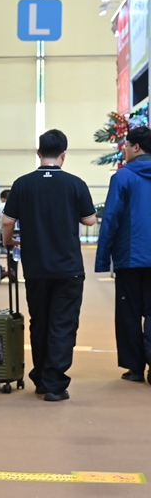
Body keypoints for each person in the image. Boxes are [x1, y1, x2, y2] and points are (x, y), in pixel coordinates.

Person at [2, 129, 97, 402]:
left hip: (35, 267)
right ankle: (55, 384)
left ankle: (41, 379)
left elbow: (7, 221)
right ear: (64, 155)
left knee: (39, 322)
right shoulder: (75, 184)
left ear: (38, 153)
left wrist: (11, 242)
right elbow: (90, 220)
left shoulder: (22, 184)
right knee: (63, 324)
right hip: (68, 268)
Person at [95, 125, 151, 383]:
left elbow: (111, 219)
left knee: (129, 312)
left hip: (131, 256)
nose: (125, 150)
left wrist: (102, 258)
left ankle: (135, 367)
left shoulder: (123, 177)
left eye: (126, 146)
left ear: (136, 147)